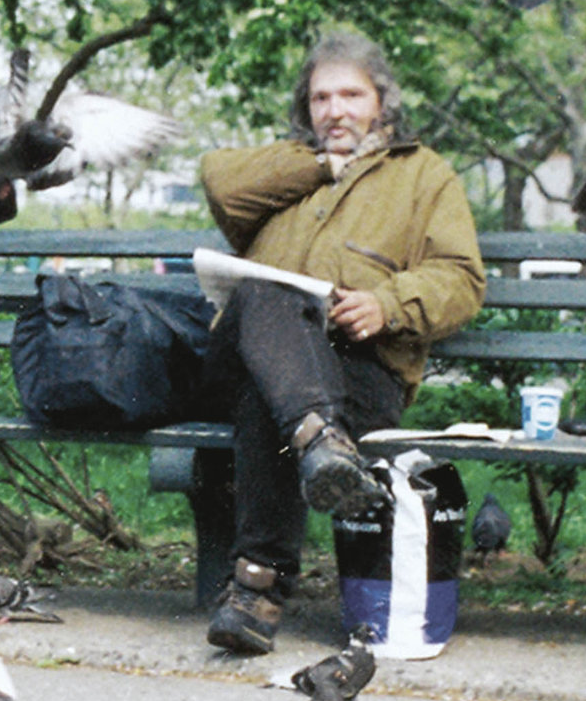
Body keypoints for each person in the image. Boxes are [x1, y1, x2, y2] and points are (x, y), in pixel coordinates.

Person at [197, 32, 485, 656]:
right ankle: (320, 444)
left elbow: (461, 280)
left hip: (357, 368)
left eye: (352, 94)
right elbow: (219, 182)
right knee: (262, 294)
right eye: (321, 97)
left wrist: (387, 304)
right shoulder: (288, 171)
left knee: (270, 397)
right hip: (252, 351)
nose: (336, 109)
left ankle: (256, 592)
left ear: (382, 100)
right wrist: (323, 164)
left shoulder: (424, 176)